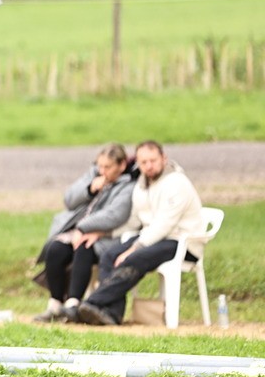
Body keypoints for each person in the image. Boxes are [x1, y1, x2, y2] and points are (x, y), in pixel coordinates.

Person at [69, 140, 206, 326]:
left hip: (181, 241)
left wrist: (134, 248)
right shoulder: (141, 186)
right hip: (151, 238)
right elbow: (133, 222)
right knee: (109, 255)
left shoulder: (177, 183)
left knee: (132, 258)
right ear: (138, 164)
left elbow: (164, 225)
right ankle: (110, 314)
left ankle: (91, 303)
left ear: (163, 159)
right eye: (143, 162)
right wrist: (103, 234)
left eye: (153, 160)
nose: (148, 166)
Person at [32, 143, 137, 323]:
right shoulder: (93, 175)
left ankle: (73, 305)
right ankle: (55, 305)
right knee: (55, 249)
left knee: (84, 248)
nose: (102, 170)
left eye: (108, 167)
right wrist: (90, 189)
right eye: (100, 165)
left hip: (108, 236)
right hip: (78, 233)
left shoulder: (128, 185)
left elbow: (115, 215)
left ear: (121, 166)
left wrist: (82, 228)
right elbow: (69, 200)